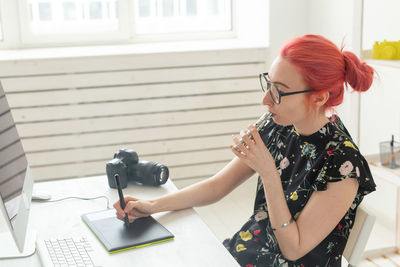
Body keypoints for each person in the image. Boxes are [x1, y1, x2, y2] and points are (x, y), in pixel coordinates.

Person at [114, 34, 376, 266]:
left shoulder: (343, 164)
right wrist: (152, 205)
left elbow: (293, 249)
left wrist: (269, 174)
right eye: (269, 84)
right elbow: (217, 187)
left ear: (319, 98)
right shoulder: (280, 125)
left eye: (279, 91)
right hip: (245, 253)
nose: (265, 100)